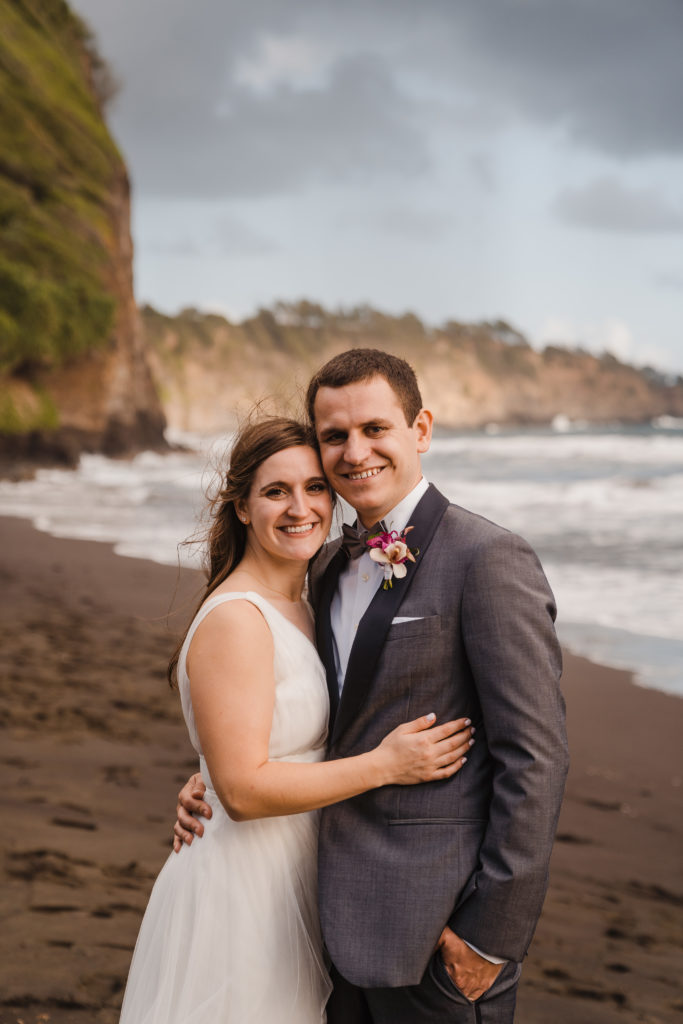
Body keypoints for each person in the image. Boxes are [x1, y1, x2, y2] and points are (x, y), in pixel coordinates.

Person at [176, 351, 570, 1023]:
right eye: (334, 435)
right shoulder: (323, 566)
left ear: (419, 429)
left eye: (375, 429)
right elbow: (312, 710)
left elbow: (535, 758)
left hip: (436, 935)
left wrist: (490, 936)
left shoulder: (487, 559)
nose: (354, 451)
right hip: (319, 919)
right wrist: (213, 771)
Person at [119, 415, 473, 1024]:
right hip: (244, 885)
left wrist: (207, 768)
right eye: (275, 491)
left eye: (314, 488)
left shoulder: (310, 599)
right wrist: (383, 764)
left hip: (301, 873)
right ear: (241, 508)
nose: (299, 507)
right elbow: (244, 790)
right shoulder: (238, 617)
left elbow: (265, 739)